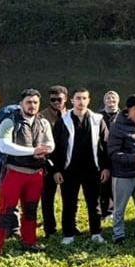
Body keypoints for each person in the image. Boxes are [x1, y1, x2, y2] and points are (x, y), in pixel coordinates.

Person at [0, 89, 55, 253]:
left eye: (35, 103)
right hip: (14, 173)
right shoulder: (9, 122)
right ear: (21, 104)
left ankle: (29, 242)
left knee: (31, 210)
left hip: (36, 174)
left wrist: (44, 149)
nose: (32, 106)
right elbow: (4, 146)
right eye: (29, 102)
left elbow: (50, 143)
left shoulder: (43, 122)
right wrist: (34, 151)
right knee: (5, 210)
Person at [52, 88, 110, 245]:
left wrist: (105, 167)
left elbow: (105, 145)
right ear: (72, 101)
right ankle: (68, 234)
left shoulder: (98, 120)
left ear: (89, 100)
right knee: (69, 202)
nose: (81, 102)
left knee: (94, 202)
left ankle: (96, 233)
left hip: (93, 169)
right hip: (69, 169)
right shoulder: (63, 120)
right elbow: (55, 147)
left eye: (84, 98)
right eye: (78, 98)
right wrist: (56, 169)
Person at [108, 93, 135, 243]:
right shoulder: (117, 126)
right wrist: (133, 158)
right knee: (119, 208)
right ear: (134, 108)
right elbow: (113, 153)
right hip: (123, 175)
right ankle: (118, 235)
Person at [39, 84, 68, 237]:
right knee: (47, 198)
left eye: (59, 99)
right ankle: (50, 229)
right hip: (47, 163)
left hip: (67, 163)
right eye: (53, 99)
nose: (56, 102)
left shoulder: (71, 115)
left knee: (69, 198)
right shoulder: (41, 117)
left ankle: (69, 226)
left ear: (66, 99)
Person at [98, 91, 120, 218]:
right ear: (104, 101)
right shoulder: (98, 116)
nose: (111, 100)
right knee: (103, 181)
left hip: (117, 152)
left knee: (115, 182)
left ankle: (114, 210)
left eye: (113, 98)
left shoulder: (123, 115)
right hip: (102, 151)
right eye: (108, 98)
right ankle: (104, 210)